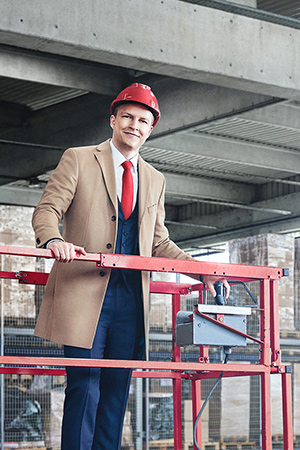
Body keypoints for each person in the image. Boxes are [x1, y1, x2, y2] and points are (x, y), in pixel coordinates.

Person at [32, 83, 230, 450]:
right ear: (113, 119)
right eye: (127, 116)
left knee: (116, 391)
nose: (134, 125)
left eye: (143, 120)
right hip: (85, 294)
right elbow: (47, 210)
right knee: (84, 386)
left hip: (130, 300)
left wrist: (202, 271)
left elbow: (158, 243)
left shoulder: (155, 179)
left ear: (150, 129)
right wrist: (53, 240)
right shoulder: (78, 158)